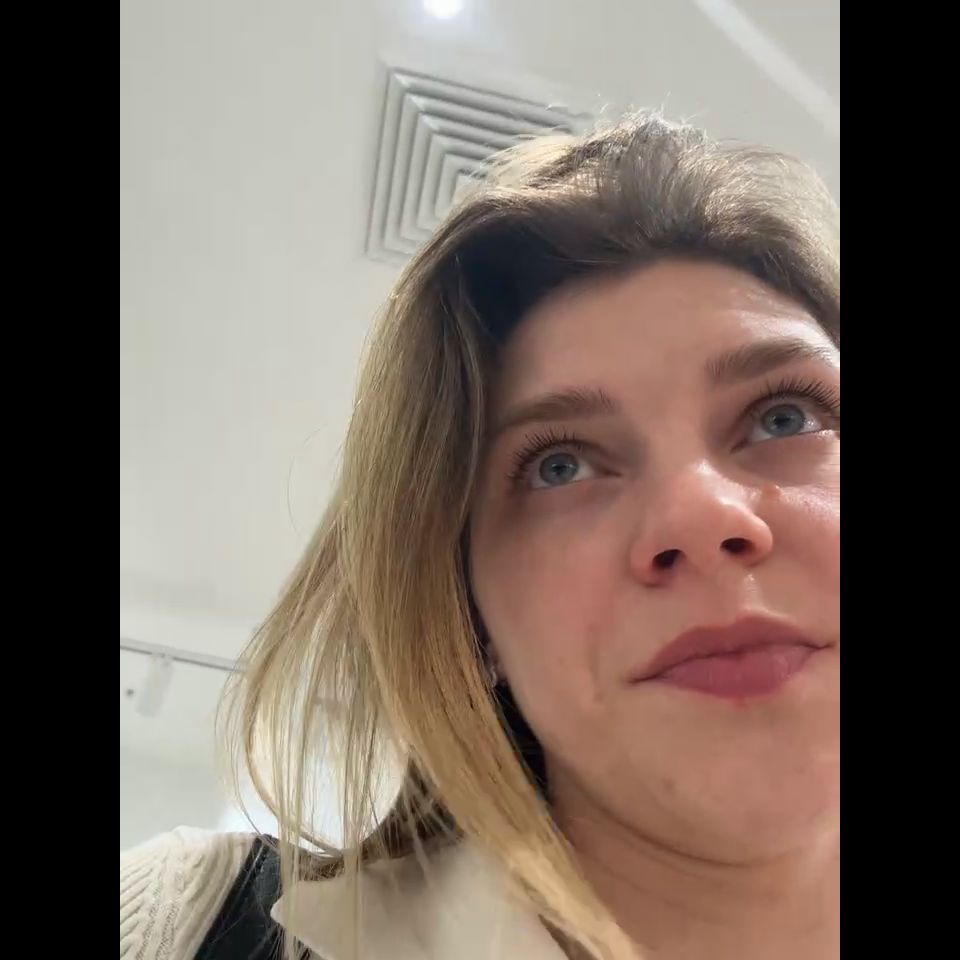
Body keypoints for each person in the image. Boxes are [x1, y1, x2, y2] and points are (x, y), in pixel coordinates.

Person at [120, 112, 840, 960]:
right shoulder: (184, 924)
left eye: (785, 415)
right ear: (470, 618)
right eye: (560, 466)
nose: (701, 514)